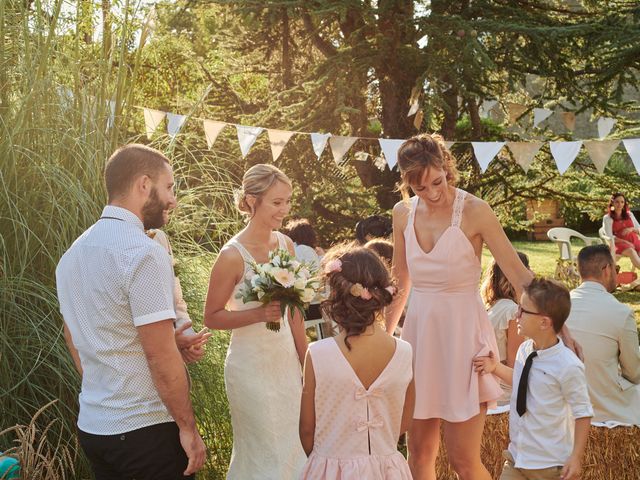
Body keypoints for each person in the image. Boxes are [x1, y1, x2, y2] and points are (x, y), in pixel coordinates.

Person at [385, 133, 580, 480]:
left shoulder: (475, 210)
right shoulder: (402, 214)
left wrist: (562, 326)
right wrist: (384, 341)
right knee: (418, 455)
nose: (431, 193)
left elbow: (520, 276)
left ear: (447, 168)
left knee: (463, 460)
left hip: (464, 339)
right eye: (419, 189)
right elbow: (400, 284)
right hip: (420, 340)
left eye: (437, 182)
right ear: (406, 184)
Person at [55, 144, 206, 479]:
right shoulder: (142, 252)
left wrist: (108, 393)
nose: (173, 199)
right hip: (147, 432)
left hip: (96, 429)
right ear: (143, 185)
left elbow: (75, 339)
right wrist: (188, 428)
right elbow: (159, 356)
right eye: (168, 187)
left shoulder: (71, 256)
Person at [204, 164, 307, 479]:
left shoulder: (286, 245)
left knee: (294, 445)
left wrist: (307, 363)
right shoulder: (231, 256)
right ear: (252, 201)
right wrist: (258, 314)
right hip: (249, 369)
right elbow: (212, 316)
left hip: (286, 363)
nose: (285, 209)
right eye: (277, 202)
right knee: (263, 451)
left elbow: (295, 313)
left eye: (287, 201)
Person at [299, 246, 415, 479]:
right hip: (388, 471)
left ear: (335, 294)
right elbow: (404, 420)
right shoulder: (404, 352)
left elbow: (306, 429)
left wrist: (325, 461)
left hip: (331, 470)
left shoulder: (318, 353)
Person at [474, 278, 593, 480]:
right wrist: (495, 368)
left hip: (549, 467)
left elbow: (583, 413)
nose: (516, 314)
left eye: (522, 311)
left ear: (544, 322)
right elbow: (523, 381)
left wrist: (576, 457)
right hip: (516, 460)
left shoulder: (568, 365)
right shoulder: (525, 349)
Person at [566, 244, 640, 425]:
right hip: (604, 407)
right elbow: (635, 374)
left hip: (563, 406)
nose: (616, 273)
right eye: (616, 268)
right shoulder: (621, 313)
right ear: (607, 270)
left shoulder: (559, 304)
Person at [147, 229, 210, 363]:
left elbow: (177, 301)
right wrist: (171, 342)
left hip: (169, 364)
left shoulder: (159, 236)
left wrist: (189, 340)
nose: (173, 206)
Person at [481, 253, 529, 404]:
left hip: (488, 384)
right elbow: (515, 365)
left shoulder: (492, 308)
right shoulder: (512, 312)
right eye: (528, 269)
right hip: (505, 394)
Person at [602, 192, 640, 268]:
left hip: (634, 241)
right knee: (631, 251)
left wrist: (631, 229)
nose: (620, 204)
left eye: (622, 202)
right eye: (617, 202)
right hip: (619, 244)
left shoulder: (629, 214)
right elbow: (610, 237)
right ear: (612, 203)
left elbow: (638, 228)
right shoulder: (607, 218)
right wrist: (625, 242)